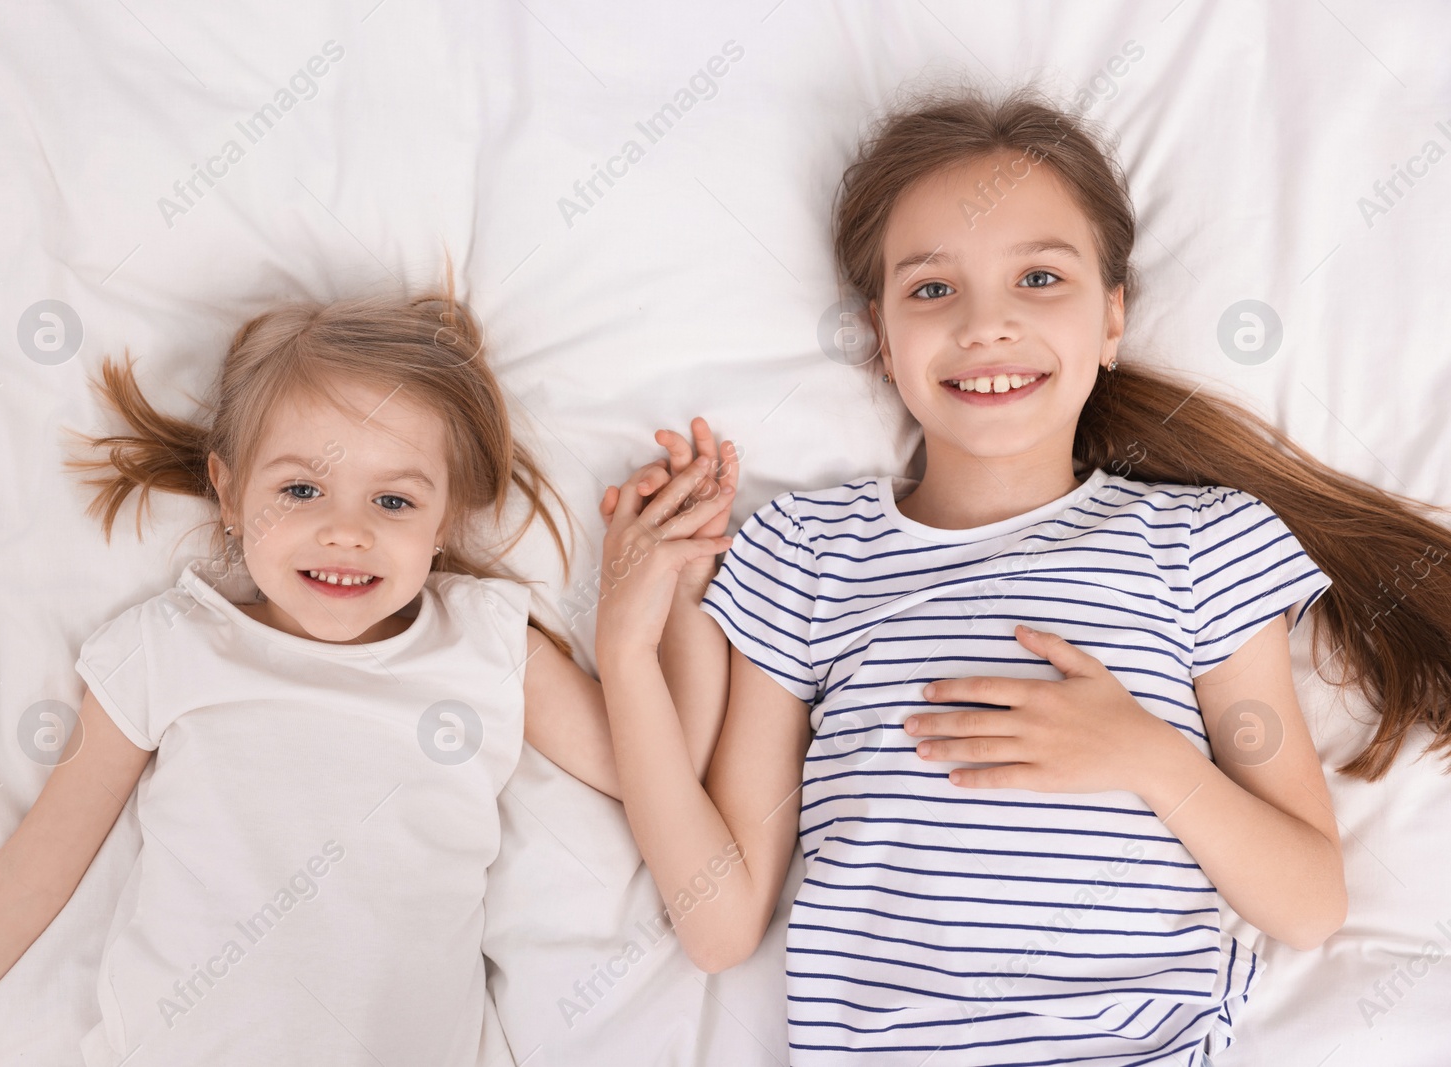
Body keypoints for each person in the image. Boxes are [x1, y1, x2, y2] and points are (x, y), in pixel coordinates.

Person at [594, 85, 1451, 1065]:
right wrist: (624, 648)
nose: (984, 324)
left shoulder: (1197, 543)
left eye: (1039, 278)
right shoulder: (803, 552)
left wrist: (1145, 754)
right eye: (930, 289)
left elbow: (1307, 904)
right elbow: (718, 923)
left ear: (1112, 318)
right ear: (880, 336)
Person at [0, 283, 693, 1066]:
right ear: (226, 492)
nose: (345, 532)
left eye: (393, 502)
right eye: (301, 489)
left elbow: (665, 774)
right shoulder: (173, 649)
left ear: (446, 520)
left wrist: (673, 589)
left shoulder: (487, 645)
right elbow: (31, 876)